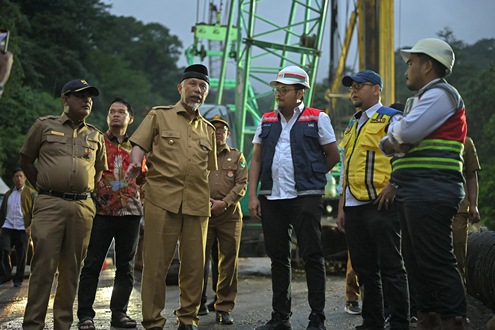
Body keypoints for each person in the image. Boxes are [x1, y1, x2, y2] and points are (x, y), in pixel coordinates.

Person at [380, 38, 468, 329]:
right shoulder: (420, 100)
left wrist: (397, 135)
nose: (406, 70)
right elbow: (396, 137)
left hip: (432, 189)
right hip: (415, 190)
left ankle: (453, 318)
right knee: (416, 260)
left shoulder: (440, 94)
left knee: (435, 258)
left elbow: (407, 131)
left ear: (427, 66)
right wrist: (397, 136)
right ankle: (428, 315)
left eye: (410, 63)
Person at [126, 64, 217, 330]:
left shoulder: (208, 130)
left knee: (194, 267)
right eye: (192, 85)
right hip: (162, 200)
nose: (197, 91)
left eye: (202, 87)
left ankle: (187, 319)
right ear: (180, 88)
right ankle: (153, 321)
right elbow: (139, 145)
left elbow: (209, 171)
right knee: (155, 266)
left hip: (198, 204)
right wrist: (135, 163)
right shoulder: (159, 115)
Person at [249, 65, 340, 330]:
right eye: (277, 89)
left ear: (300, 93)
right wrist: (253, 195)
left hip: (305, 197)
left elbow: (333, 155)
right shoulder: (266, 120)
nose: (279, 93)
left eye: (284, 89)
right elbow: (256, 159)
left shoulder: (317, 118)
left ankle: (317, 317)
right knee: (279, 258)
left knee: (312, 255)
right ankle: (280, 318)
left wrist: (312, 176)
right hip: (272, 197)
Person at [20, 79, 107, 330]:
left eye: (90, 96)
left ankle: (63, 325)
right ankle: (33, 325)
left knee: (71, 272)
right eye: (80, 96)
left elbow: (98, 173)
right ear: (65, 99)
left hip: (82, 208)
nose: (87, 100)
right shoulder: (44, 125)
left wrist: (81, 189)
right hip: (49, 204)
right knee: (43, 268)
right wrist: (44, 188)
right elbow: (26, 160)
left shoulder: (95, 135)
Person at [336, 70, 409, 330]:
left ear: (376, 89)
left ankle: (400, 322)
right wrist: (342, 205)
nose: (353, 91)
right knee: (364, 269)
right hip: (354, 206)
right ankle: (373, 321)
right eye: (351, 87)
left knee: (391, 267)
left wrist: (394, 184)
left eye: (360, 86)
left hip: (381, 204)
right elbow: (346, 167)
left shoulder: (392, 117)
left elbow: (407, 151)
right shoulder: (353, 125)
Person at [77, 97, 145, 330]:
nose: (116, 115)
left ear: (130, 118)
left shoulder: (138, 146)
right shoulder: (97, 141)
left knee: (125, 267)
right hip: (101, 212)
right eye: (112, 111)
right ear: (107, 116)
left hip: (131, 214)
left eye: (121, 112)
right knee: (92, 264)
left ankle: (119, 314)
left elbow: (145, 178)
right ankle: (85, 315)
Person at [200, 115, 248, 325]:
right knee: (196, 260)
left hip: (229, 215)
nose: (218, 133)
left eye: (222, 130)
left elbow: (242, 182)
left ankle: (224, 306)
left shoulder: (237, 157)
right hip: (203, 213)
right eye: (214, 129)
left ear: (228, 134)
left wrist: (225, 202)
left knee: (228, 261)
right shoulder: (200, 155)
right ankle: (195, 305)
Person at [0, 168, 37, 287]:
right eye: (16, 176)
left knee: (22, 255)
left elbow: (35, 212)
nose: (19, 178)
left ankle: (18, 279)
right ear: (13, 179)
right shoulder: (8, 194)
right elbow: (2, 212)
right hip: (7, 227)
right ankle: (5, 275)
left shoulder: (31, 193)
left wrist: (31, 227)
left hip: (22, 228)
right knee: (3, 250)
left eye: (21, 176)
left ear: (25, 178)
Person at [452, 136, 481, 281]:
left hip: (459, 208)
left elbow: (471, 175)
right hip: (431, 207)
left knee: (458, 254)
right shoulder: (427, 137)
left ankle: (459, 293)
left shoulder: (466, 142)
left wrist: (473, 205)